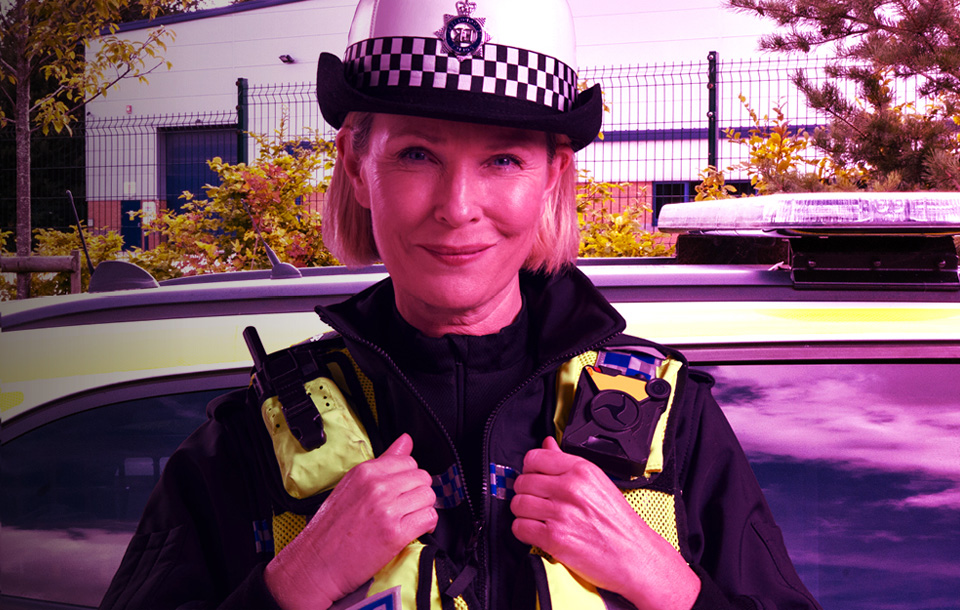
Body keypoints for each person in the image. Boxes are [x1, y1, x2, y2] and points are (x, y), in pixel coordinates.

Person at [100, 1, 823, 609]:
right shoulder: (249, 442)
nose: (457, 207)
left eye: (502, 160)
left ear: (551, 178)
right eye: (417, 154)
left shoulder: (680, 423)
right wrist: (291, 587)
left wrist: (673, 589)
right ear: (357, 167)